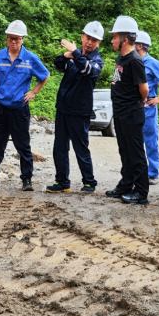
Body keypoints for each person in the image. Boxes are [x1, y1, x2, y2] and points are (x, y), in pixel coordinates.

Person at [0, 20, 49, 191]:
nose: (14, 42)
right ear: (7, 39)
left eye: (17, 39)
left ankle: (27, 179)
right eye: (11, 39)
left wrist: (34, 92)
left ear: (22, 39)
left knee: (23, 144)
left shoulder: (30, 58)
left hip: (19, 108)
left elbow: (44, 75)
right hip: (1, 107)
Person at [46, 22, 105, 194]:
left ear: (98, 43)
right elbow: (58, 64)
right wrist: (66, 55)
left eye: (94, 40)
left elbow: (88, 70)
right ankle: (62, 181)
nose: (89, 42)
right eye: (88, 38)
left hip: (80, 111)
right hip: (63, 108)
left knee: (81, 147)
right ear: (82, 37)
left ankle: (89, 182)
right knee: (60, 147)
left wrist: (76, 53)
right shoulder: (74, 56)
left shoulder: (96, 60)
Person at [105, 16, 150, 205]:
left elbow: (144, 89)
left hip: (132, 113)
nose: (112, 40)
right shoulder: (121, 59)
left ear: (125, 38)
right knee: (124, 151)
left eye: (115, 37)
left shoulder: (135, 61)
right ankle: (126, 184)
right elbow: (117, 81)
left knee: (135, 152)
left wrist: (135, 103)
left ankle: (141, 192)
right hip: (121, 112)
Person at [134, 31, 159, 184]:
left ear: (141, 45)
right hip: (135, 105)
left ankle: (153, 173)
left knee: (150, 140)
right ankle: (138, 171)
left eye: (135, 43)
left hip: (148, 107)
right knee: (135, 140)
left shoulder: (153, 63)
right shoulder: (133, 61)